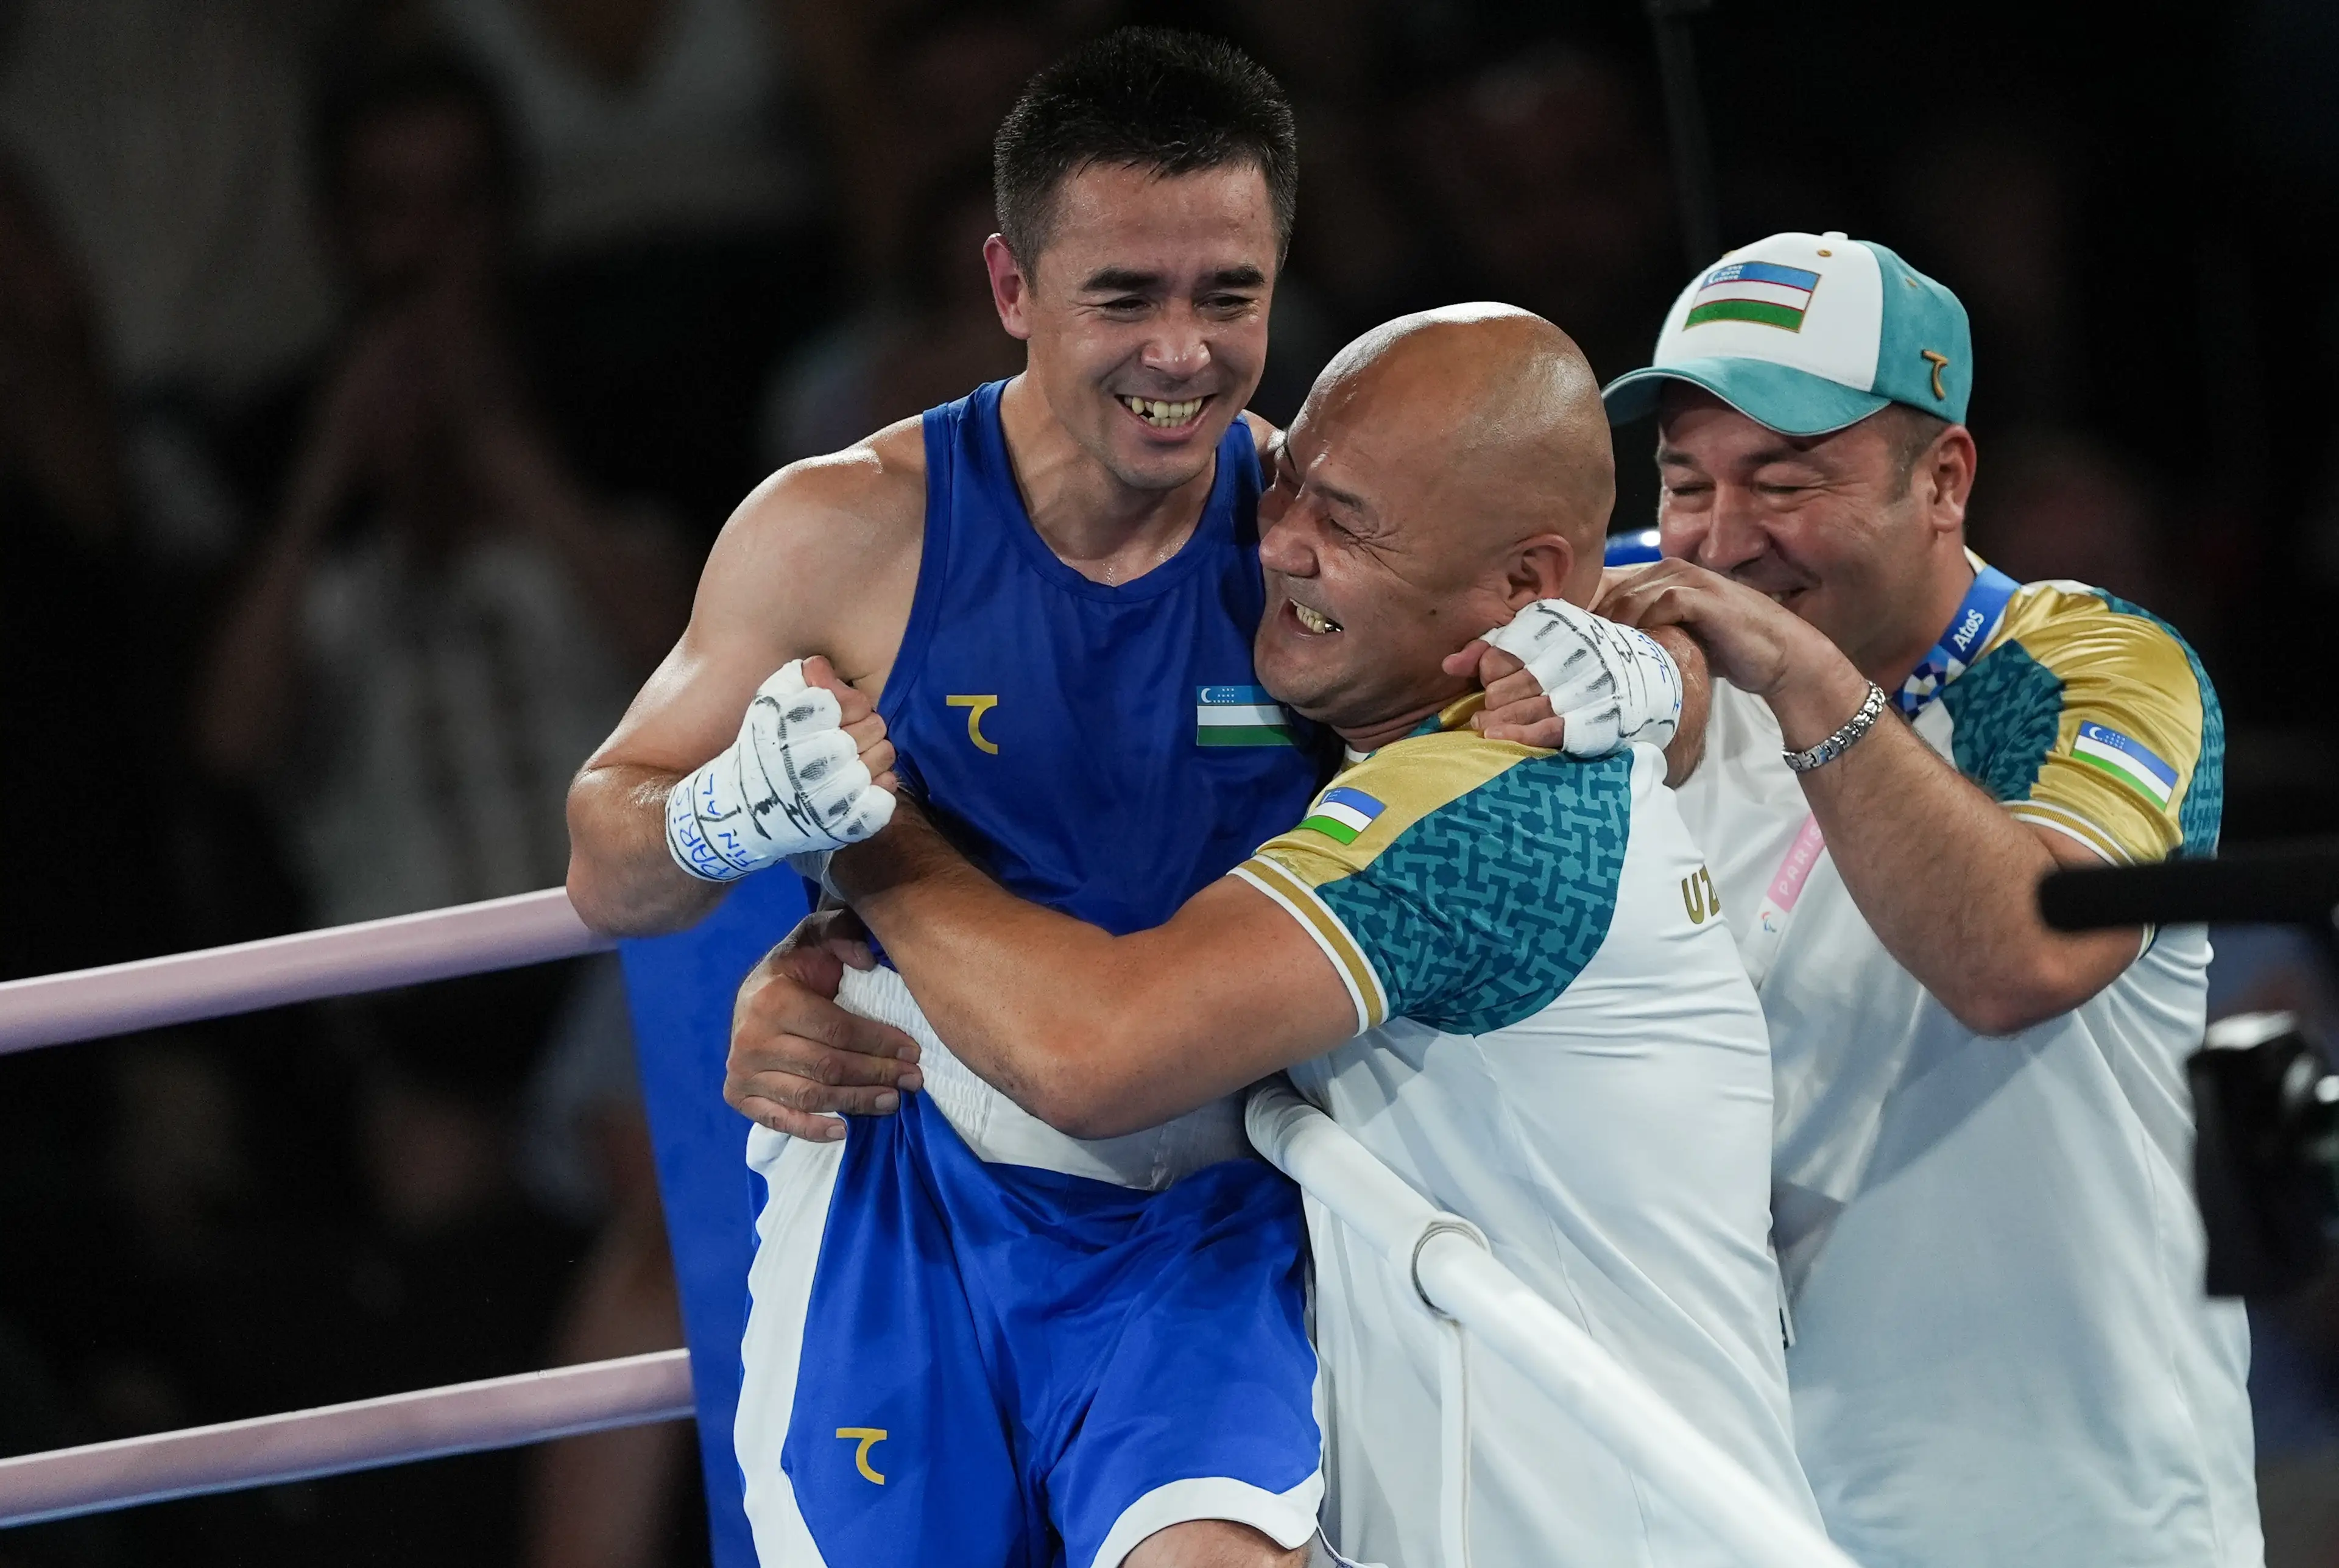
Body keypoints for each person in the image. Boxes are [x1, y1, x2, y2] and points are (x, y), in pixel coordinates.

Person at [566, 30, 1676, 1567]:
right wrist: (722, 819)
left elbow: (1574, 598)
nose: (1182, 353)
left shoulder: (1315, 540)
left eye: (1229, 297)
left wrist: (1632, 686)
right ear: (1013, 289)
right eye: (1124, 297)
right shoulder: (846, 532)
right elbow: (606, 861)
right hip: (910, 1199)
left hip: (1208, 1228)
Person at [744, 305, 1813, 1567]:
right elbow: (1636, 613)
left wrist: (858, 832)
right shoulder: (1458, 726)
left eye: (1346, 523)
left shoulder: (1481, 805)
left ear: (1525, 584)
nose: (1280, 545)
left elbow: (1094, 1056)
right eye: (1287, 481)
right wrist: (818, 970)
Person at [1572, 230, 2256, 1567]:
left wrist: (1805, 682)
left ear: (1942, 478)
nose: (1722, 539)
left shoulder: (2087, 667)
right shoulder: (1641, 643)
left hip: (2079, 1524)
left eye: (1784, 480)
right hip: (1746, 1519)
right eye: (1687, 482)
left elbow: (2021, 956)